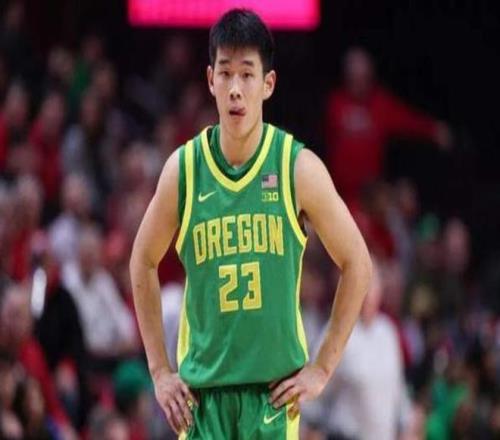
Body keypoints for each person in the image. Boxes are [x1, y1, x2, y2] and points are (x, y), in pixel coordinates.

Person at [130, 9, 372, 439]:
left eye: (247, 74)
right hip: (202, 401)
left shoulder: (297, 167)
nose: (235, 89)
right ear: (210, 80)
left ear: (268, 83)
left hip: (271, 400)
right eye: (225, 74)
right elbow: (141, 261)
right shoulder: (183, 170)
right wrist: (160, 371)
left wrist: (321, 368)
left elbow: (358, 262)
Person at [325, 47, 452, 205]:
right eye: (354, 78)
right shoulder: (334, 104)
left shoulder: (381, 104)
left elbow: (407, 120)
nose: (360, 84)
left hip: (372, 196)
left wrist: (433, 129)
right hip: (339, 194)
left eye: (364, 78)